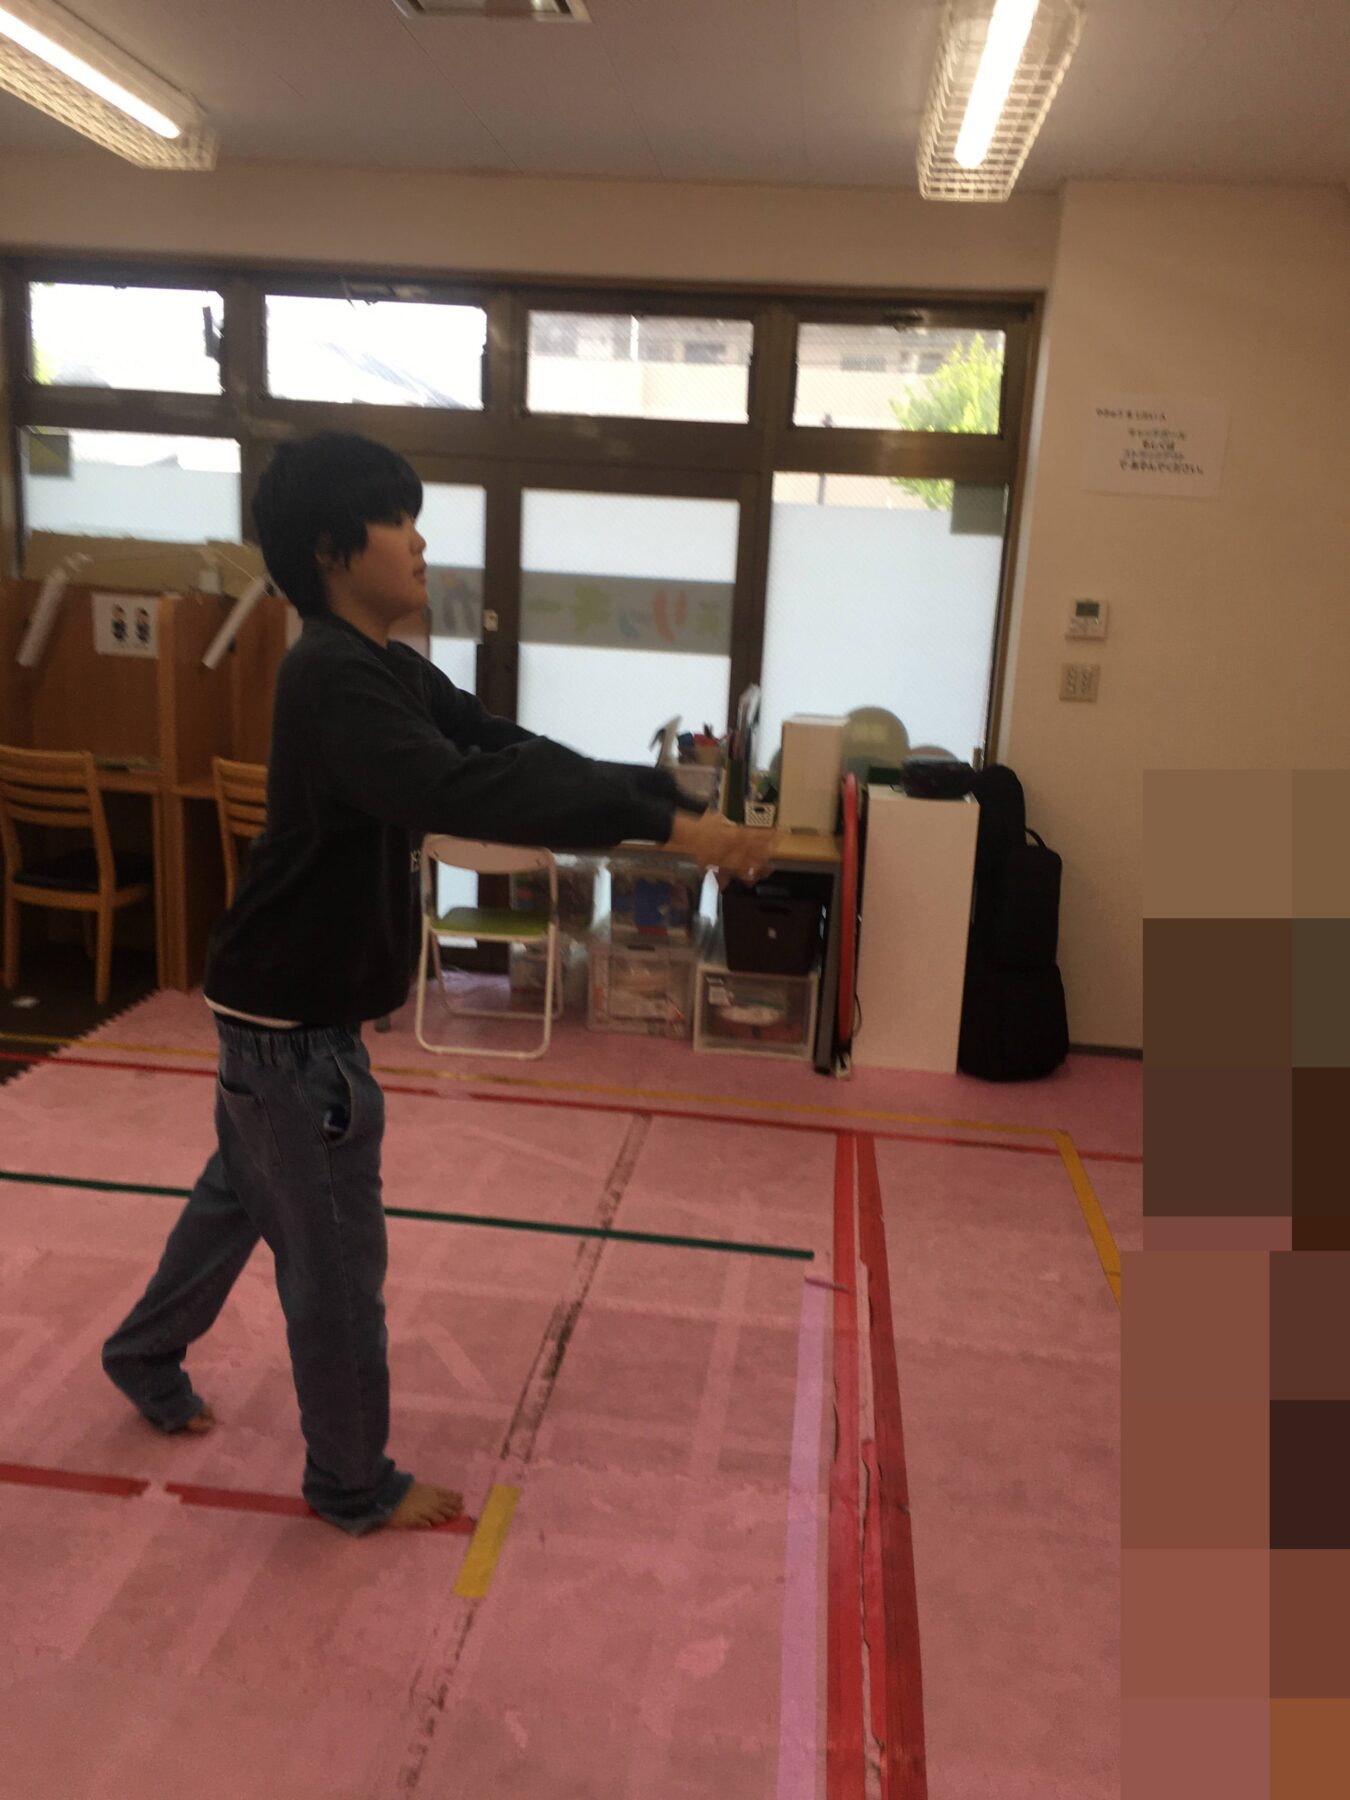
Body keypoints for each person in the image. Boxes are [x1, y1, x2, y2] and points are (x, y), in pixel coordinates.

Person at [101, 431, 775, 1536]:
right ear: (332, 549)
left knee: (242, 1196)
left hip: (277, 1011)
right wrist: (670, 827)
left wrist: (672, 804)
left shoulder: (386, 670)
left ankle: (141, 1352)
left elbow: (511, 750)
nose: (420, 540)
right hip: (293, 1033)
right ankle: (349, 1482)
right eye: (396, 519)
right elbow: (468, 793)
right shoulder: (331, 677)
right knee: (333, 1272)